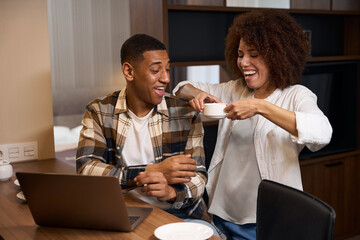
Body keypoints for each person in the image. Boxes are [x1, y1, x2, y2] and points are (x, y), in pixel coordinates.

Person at [173, 10, 333, 240]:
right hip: (221, 212)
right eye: (239, 54)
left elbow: (322, 132)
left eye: (254, 54)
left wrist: (260, 107)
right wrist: (200, 94)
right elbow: (180, 86)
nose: (243, 62)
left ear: (277, 55)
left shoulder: (296, 96)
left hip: (267, 220)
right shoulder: (233, 89)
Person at [76, 34, 220, 236]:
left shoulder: (185, 113)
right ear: (129, 71)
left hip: (181, 215)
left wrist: (172, 193)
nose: (166, 78)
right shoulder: (99, 111)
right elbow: (87, 169)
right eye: (155, 70)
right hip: (121, 213)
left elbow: (198, 177)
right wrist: (153, 171)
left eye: (167, 69)